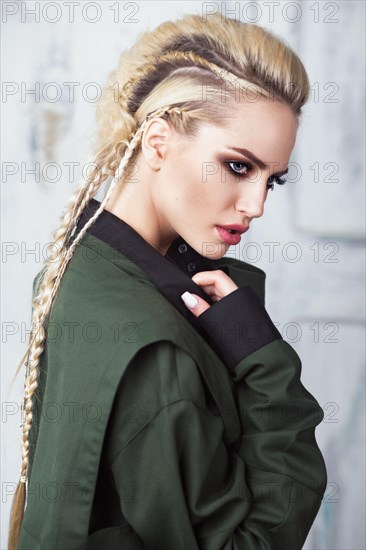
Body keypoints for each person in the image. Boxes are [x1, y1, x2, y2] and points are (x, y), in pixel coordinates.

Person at [8, 11, 327, 550]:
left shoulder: (79, 262)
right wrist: (264, 360)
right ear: (158, 141)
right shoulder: (157, 354)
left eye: (273, 180)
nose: (255, 205)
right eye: (238, 166)